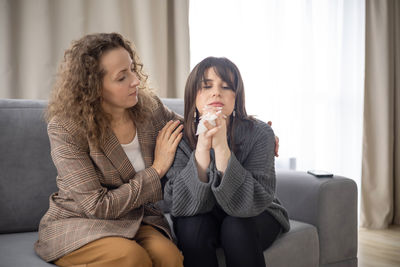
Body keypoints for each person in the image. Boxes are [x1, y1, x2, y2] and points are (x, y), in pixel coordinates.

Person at [34, 33, 184, 267]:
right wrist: (157, 170)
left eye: (133, 70)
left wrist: (244, 125)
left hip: (136, 217)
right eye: (122, 77)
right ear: (94, 87)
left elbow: (193, 131)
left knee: (169, 256)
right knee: (132, 258)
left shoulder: (149, 107)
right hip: (80, 221)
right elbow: (97, 205)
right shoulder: (66, 128)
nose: (135, 80)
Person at [164, 57, 290, 267]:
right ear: (192, 95)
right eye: (206, 86)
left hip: (257, 213)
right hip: (206, 212)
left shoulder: (260, 134)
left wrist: (221, 146)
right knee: (191, 227)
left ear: (236, 96)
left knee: (235, 227)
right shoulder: (179, 136)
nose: (216, 92)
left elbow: (252, 202)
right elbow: (180, 203)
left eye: (226, 87)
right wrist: (203, 148)